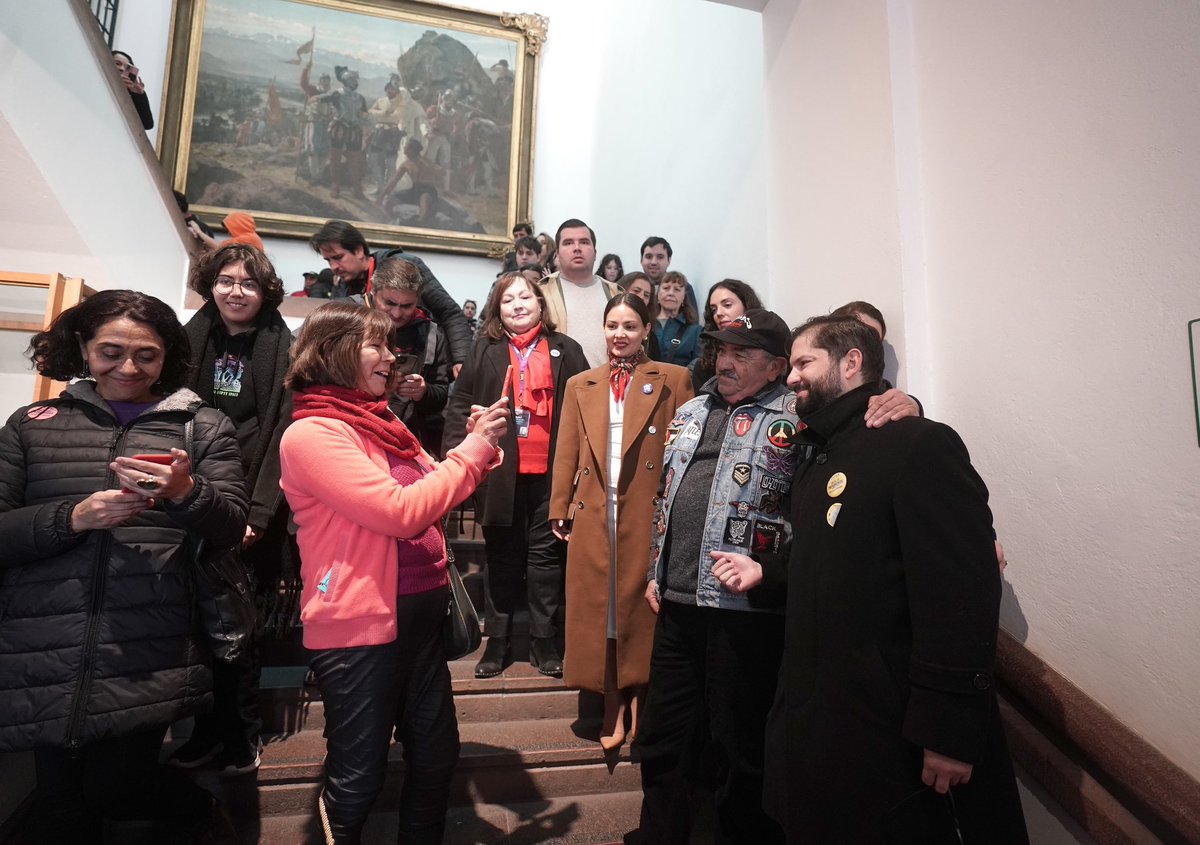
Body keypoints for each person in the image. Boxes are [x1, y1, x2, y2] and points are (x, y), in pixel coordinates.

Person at [755, 315, 1028, 842]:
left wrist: (948, 729)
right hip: (824, 727)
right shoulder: (818, 456)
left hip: (891, 737)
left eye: (804, 363)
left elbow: (960, 593)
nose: (791, 378)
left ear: (851, 363)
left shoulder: (918, 445)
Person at [0, 289, 248, 842]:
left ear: (168, 357)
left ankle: (198, 812)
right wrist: (74, 517)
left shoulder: (202, 427)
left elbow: (230, 527)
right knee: (59, 808)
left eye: (147, 356)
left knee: (117, 786)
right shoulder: (33, 424)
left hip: (150, 632)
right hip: (43, 633)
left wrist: (187, 491)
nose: (129, 368)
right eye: (111, 351)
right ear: (83, 346)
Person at [279, 301, 506, 844]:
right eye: (376, 346)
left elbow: (435, 484)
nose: (390, 358)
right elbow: (402, 511)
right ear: (333, 352)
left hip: (420, 618)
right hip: (361, 627)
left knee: (435, 758)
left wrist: (476, 442)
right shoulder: (313, 435)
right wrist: (472, 453)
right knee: (358, 778)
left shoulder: (380, 422)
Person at [167, 243, 295, 776]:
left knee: (242, 626)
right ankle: (203, 728)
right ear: (210, 284)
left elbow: (284, 435)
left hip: (249, 500)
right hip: (189, 494)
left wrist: (259, 514)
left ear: (264, 291)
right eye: (225, 280)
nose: (235, 291)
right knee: (193, 622)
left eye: (247, 282)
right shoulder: (185, 341)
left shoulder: (284, 350)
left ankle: (242, 731)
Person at [549, 293, 694, 751]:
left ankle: (640, 696)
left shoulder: (673, 378)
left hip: (645, 511)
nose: (620, 334)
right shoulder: (581, 383)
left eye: (630, 325)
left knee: (639, 606)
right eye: (612, 325)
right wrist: (559, 505)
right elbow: (567, 448)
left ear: (647, 329)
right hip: (594, 510)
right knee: (600, 608)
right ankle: (610, 699)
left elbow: (683, 453)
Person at [444, 271, 589, 679]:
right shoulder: (483, 349)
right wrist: (458, 464)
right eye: (509, 300)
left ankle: (544, 641)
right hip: (499, 474)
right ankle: (498, 641)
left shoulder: (567, 349)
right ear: (498, 310)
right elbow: (459, 408)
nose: (519, 305)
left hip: (553, 476)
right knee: (502, 560)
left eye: (526, 297)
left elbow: (585, 412)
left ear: (541, 304)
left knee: (546, 562)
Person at [309, 219, 471, 372]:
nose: (334, 267)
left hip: (423, 364)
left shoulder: (405, 266)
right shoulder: (343, 286)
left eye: (338, 257)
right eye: (328, 261)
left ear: (358, 250)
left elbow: (449, 312)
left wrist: (462, 360)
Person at [360, 257, 453, 456]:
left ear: (418, 299)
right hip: (351, 432)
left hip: (406, 439)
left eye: (407, 306)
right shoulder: (346, 317)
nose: (396, 313)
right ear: (373, 291)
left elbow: (442, 393)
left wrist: (424, 391)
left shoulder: (431, 333)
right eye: (389, 303)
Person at [537, 218, 621, 365]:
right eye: (568, 243)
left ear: (595, 253)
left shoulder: (616, 293)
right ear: (557, 254)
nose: (577, 248)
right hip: (558, 384)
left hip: (608, 383)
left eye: (584, 242)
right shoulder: (540, 293)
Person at [691, 278, 763, 391]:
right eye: (713, 310)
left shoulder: (769, 353)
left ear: (746, 306)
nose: (718, 313)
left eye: (727, 305)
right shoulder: (705, 366)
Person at [652, 271, 701, 367]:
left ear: (684, 297)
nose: (670, 293)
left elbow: (698, 364)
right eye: (666, 288)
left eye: (677, 289)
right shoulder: (646, 326)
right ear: (658, 294)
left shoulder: (696, 331)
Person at [112, 50, 153, 130]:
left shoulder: (129, 96)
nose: (122, 69)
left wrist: (138, 95)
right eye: (117, 63)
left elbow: (147, 124)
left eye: (127, 68)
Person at [189, 211, 265, 252]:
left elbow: (219, 247)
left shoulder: (247, 238)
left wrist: (199, 232)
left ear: (237, 225)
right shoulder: (251, 236)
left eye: (230, 229)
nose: (228, 233)